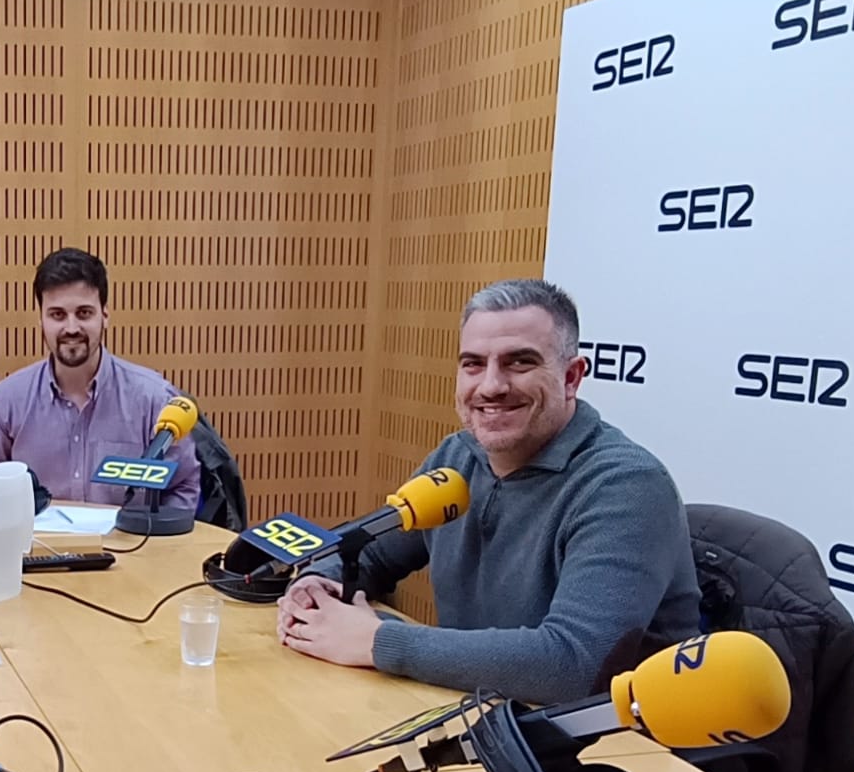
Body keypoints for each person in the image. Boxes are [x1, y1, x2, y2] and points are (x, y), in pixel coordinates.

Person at [277, 278, 700, 706]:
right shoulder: (457, 456)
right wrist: (318, 583)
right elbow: (368, 551)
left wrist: (380, 641)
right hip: (484, 716)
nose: (491, 386)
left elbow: (575, 665)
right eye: (473, 364)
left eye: (519, 363)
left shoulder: (627, 487)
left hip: (613, 751)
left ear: (571, 377)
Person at [0, 247, 199, 511]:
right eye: (57, 315)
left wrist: (153, 545)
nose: (71, 328)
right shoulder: (5, 402)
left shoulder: (155, 400)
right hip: (35, 550)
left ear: (105, 316)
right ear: (40, 319)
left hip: (130, 550)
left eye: (84, 313)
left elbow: (183, 489)